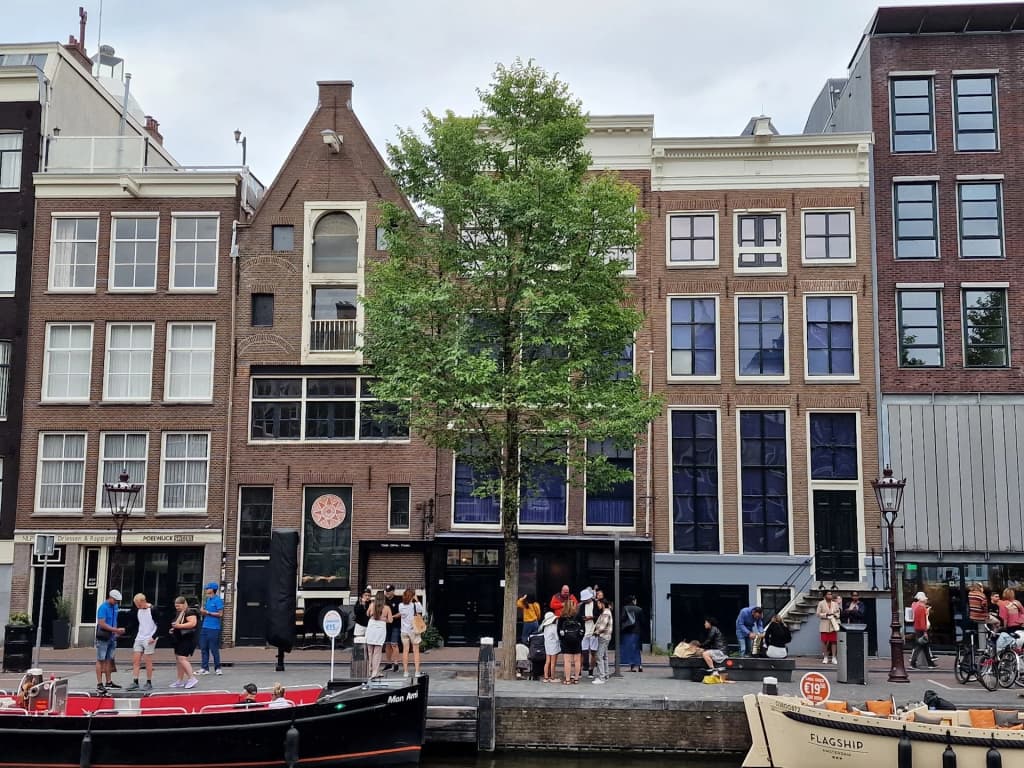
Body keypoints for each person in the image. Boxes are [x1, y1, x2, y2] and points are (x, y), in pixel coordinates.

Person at [95, 589, 126, 693]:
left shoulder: (115, 607)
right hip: (103, 637)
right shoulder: (103, 608)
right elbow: (102, 623)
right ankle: (99, 684)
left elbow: (114, 620)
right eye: (115, 600)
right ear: (110, 598)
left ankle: (108, 682)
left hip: (112, 637)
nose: (117, 602)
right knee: (100, 660)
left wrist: (116, 632)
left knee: (109, 659)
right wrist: (115, 630)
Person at [127, 593, 157, 691]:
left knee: (148, 660)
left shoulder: (153, 610)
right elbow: (135, 622)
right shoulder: (138, 610)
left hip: (149, 637)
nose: (138, 607)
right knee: (136, 660)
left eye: (139, 605)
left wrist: (154, 636)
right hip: (140, 636)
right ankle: (135, 681)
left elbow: (160, 623)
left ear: (144, 601)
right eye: (136, 605)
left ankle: (149, 682)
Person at [168, 595, 200, 688]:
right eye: (176, 606)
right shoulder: (180, 612)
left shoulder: (190, 612)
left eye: (179, 606)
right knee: (179, 659)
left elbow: (192, 623)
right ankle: (179, 680)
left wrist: (178, 627)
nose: (177, 607)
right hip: (180, 638)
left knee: (182, 658)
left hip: (187, 638)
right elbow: (178, 624)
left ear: (184, 604)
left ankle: (192, 678)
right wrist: (173, 629)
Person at [198, 582, 224, 676]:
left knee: (214, 649)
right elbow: (204, 611)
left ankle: (218, 668)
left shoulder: (218, 600)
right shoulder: (207, 600)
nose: (206, 590)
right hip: (205, 626)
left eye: (207, 588)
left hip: (214, 628)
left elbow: (220, 614)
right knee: (204, 648)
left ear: (212, 589)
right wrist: (202, 611)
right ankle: (204, 668)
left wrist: (208, 612)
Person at [398, 588, 425, 676]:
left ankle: (406, 671)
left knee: (405, 651)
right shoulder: (414, 605)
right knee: (416, 651)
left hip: (404, 631)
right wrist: (417, 600)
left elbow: (402, 614)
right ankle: (417, 671)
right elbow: (421, 610)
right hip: (414, 630)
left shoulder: (401, 605)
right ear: (412, 596)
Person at [364, 592, 391, 679]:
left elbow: (367, 614)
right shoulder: (386, 608)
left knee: (370, 652)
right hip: (380, 629)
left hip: (371, 627)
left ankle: (369, 670)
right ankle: (375, 672)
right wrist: (383, 618)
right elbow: (390, 620)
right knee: (377, 652)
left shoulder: (372, 605)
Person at [557, 597, 583, 684]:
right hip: (577, 641)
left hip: (566, 641)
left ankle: (567, 680)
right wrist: (579, 639)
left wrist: (562, 639)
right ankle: (576, 679)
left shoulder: (562, 617)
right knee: (577, 661)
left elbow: (558, 630)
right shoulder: (578, 616)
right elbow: (583, 629)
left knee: (567, 661)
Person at [909, 591, 937, 670]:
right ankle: (913, 663)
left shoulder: (916, 607)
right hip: (921, 630)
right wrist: (925, 631)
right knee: (919, 646)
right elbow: (922, 621)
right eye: (925, 599)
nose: (926, 600)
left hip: (918, 628)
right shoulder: (921, 608)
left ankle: (930, 663)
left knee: (925, 646)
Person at [592, 597, 613, 684]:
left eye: (598, 604)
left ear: (602, 604)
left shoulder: (605, 613)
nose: (598, 606)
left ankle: (601, 677)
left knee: (599, 656)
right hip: (606, 636)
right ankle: (606, 674)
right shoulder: (607, 612)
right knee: (604, 656)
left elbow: (602, 626)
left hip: (603, 636)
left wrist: (595, 632)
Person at [621, 595, 644, 672]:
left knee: (630, 648)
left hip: (628, 631)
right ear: (633, 601)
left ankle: (632, 666)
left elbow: (622, 618)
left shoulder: (625, 608)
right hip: (637, 631)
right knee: (636, 648)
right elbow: (642, 621)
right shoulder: (639, 609)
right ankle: (640, 665)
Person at [816, 592, 840, 664]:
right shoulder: (821, 603)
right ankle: (825, 657)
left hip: (833, 624)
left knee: (834, 641)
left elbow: (838, 613)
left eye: (831, 594)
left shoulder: (835, 604)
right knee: (824, 641)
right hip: (824, 624)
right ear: (825, 595)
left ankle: (833, 657)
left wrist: (834, 615)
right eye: (828, 594)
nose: (830, 595)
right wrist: (826, 614)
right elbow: (818, 614)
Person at [578, 587, 597, 676]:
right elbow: (579, 616)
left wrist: (591, 617)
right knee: (583, 651)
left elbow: (599, 615)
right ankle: (579, 670)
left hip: (594, 630)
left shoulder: (596, 604)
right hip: (584, 630)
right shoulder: (582, 606)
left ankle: (591, 670)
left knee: (593, 652)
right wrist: (583, 618)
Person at [383, 585, 403, 672]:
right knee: (387, 644)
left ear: (393, 591)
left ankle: (396, 664)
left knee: (394, 644)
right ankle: (388, 663)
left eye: (389, 591)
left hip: (396, 625)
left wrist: (392, 617)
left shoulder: (398, 599)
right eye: (386, 591)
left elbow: (401, 612)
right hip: (386, 625)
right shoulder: (384, 600)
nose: (387, 592)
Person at [540, 611, 560, 683]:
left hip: (547, 645)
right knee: (553, 662)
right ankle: (552, 677)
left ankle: (546, 677)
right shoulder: (554, 627)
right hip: (554, 645)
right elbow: (557, 638)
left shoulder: (545, 627)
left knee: (547, 661)